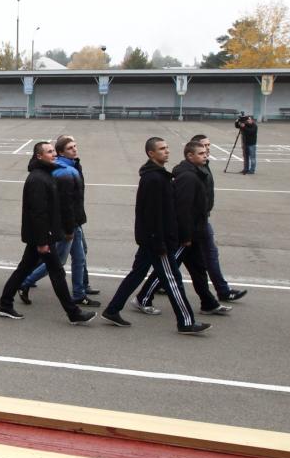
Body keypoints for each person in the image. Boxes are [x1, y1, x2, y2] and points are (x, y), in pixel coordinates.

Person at [99, 138, 210, 334]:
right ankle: (185, 321)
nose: (166, 151)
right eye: (161, 149)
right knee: (173, 279)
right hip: (158, 240)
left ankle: (112, 309)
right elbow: (152, 215)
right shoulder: (154, 179)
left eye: (167, 148)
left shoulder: (159, 176)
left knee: (137, 274)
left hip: (151, 239)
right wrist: (160, 244)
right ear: (151, 153)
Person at [0, 142, 95, 324]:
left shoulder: (46, 174)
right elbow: (38, 213)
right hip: (42, 236)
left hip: (42, 235)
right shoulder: (38, 179)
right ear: (39, 156)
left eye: (54, 151)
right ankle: (73, 313)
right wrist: (42, 241)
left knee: (24, 269)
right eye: (49, 152)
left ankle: (4, 304)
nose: (54, 154)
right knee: (57, 272)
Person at [134, 141, 230, 316]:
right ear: (190, 156)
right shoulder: (188, 177)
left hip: (195, 232)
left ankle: (208, 303)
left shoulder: (198, 172)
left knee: (198, 268)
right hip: (186, 234)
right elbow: (183, 209)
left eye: (206, 152)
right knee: (167, 271)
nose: (206, 155)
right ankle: (143, 297)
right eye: (201, 153)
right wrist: (185, 236)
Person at [17, 135, 94, 307]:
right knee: (57, 262)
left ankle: (79, 293)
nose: (74, 149)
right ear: (61, 153)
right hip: (69, 224)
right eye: (70, 148)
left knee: (79, 258)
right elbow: (65, 204)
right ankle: (25, 282)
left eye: (75, 146)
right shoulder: (64, 172)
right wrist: (69, 228)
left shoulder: (71, 166)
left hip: (74, 221)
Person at [189, 134, 247, 303]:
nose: (207, 148)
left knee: (183, 258)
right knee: (208, 255)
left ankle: (157, 284)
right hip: (197, 221)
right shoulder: (194, 170)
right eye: (204, 146)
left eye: (208, 145)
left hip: (202, 218)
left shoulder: (204, 166)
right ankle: (222, 291)